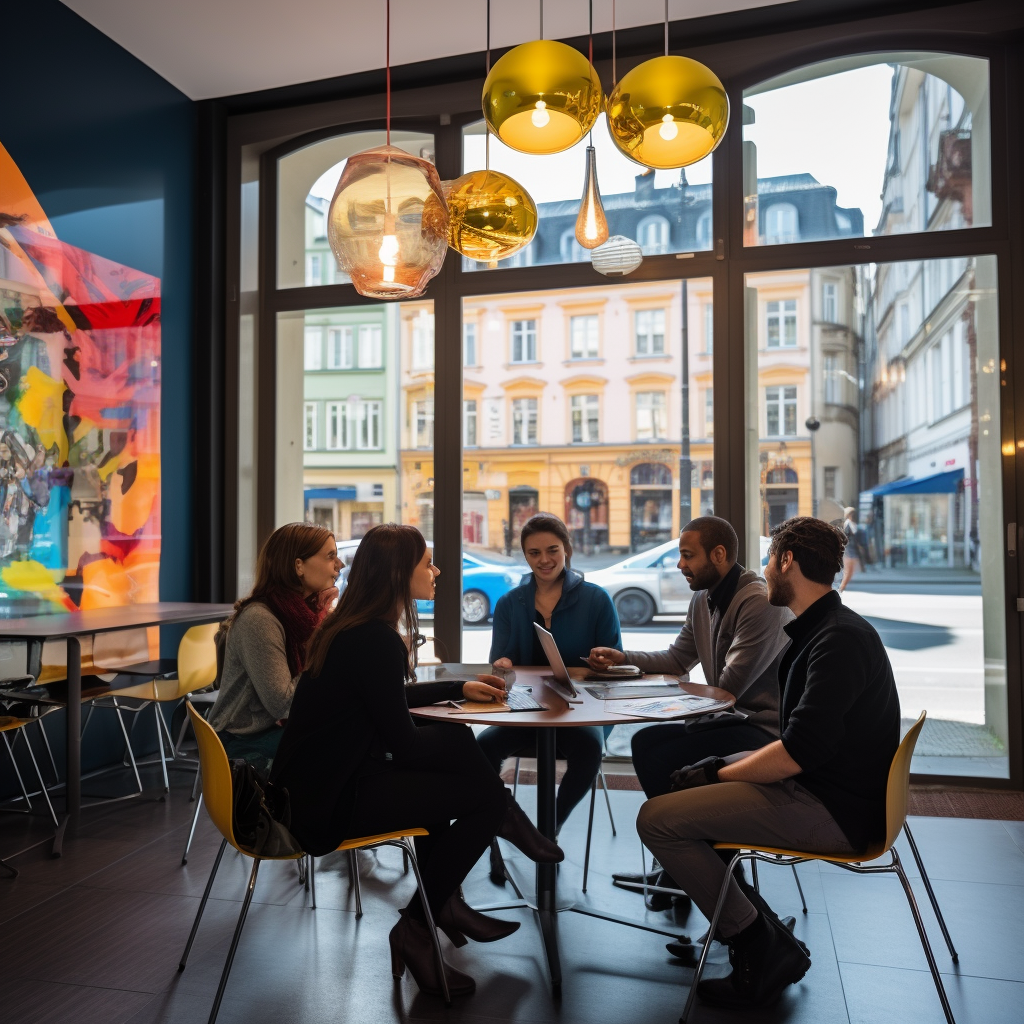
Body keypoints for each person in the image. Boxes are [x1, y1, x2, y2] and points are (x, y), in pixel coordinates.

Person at [271, 523, 563, 999]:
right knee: (476, 791)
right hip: (323, 805)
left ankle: (441, 901)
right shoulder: (374, 639)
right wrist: (456, 722)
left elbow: (387, 700)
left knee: (455, 752)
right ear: (396, 574)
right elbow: (403, 744)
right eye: (427, 562)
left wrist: (455, 689)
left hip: (318, 785)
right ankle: (422, 921)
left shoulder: (353, 629)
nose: (437, 570)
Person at [636, 516, 900, 1009]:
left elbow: (797, 751)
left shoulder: (836, 641)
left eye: (767, 559)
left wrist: (717, 771)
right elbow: (802, 745)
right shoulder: (826, 629)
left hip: (832, 810)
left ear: (786, 562)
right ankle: (762, 934)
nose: (761, 570)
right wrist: (720, 764)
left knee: (657, 820)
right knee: (677, 786)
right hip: (824, 791)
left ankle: (759, 943)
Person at [589, 516, 791, 910]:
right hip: (727, 719)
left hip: (763, 733)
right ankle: (687, 866)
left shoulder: (757, 602)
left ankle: (707, 876)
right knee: (648, 742)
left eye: (686, 555)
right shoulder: (704, 598)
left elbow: (728, 689)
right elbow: (678, 658)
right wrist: (622, 659)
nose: (679, 565)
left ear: (719, 555)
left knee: (660, 752)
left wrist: (665, 700)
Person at [478, 512, 621, 852]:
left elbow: (615, 660)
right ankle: (501, 821)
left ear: (567, 550)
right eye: (534, 553)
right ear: (525, 556)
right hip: (528, 709)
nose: (544, 560)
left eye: (552, 550)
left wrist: (602, 661)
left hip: (581, 709)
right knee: (482, 747)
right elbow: (499, 662)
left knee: (589, 749)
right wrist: (504, 665)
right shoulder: (511, 603)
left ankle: (546, 830)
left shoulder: (596, 598)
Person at [208, 521, 341, 774]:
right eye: (330, 556)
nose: (339, 566)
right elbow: (283, 704)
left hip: (274, 732)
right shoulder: (260, 619)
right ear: (298, 565)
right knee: (342, 746)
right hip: (242, 746)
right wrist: (324, 641)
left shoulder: (305, 615)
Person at [838, 506, 863, 592]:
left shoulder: (853, 524)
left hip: (853, 549)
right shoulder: (846, 524)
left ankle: (841, 587)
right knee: (848, 570)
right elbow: (844, 537)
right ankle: (841, 588)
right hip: (848, 550)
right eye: (852, 514)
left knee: (850, 571)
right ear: (848, 515)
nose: (853, 515)